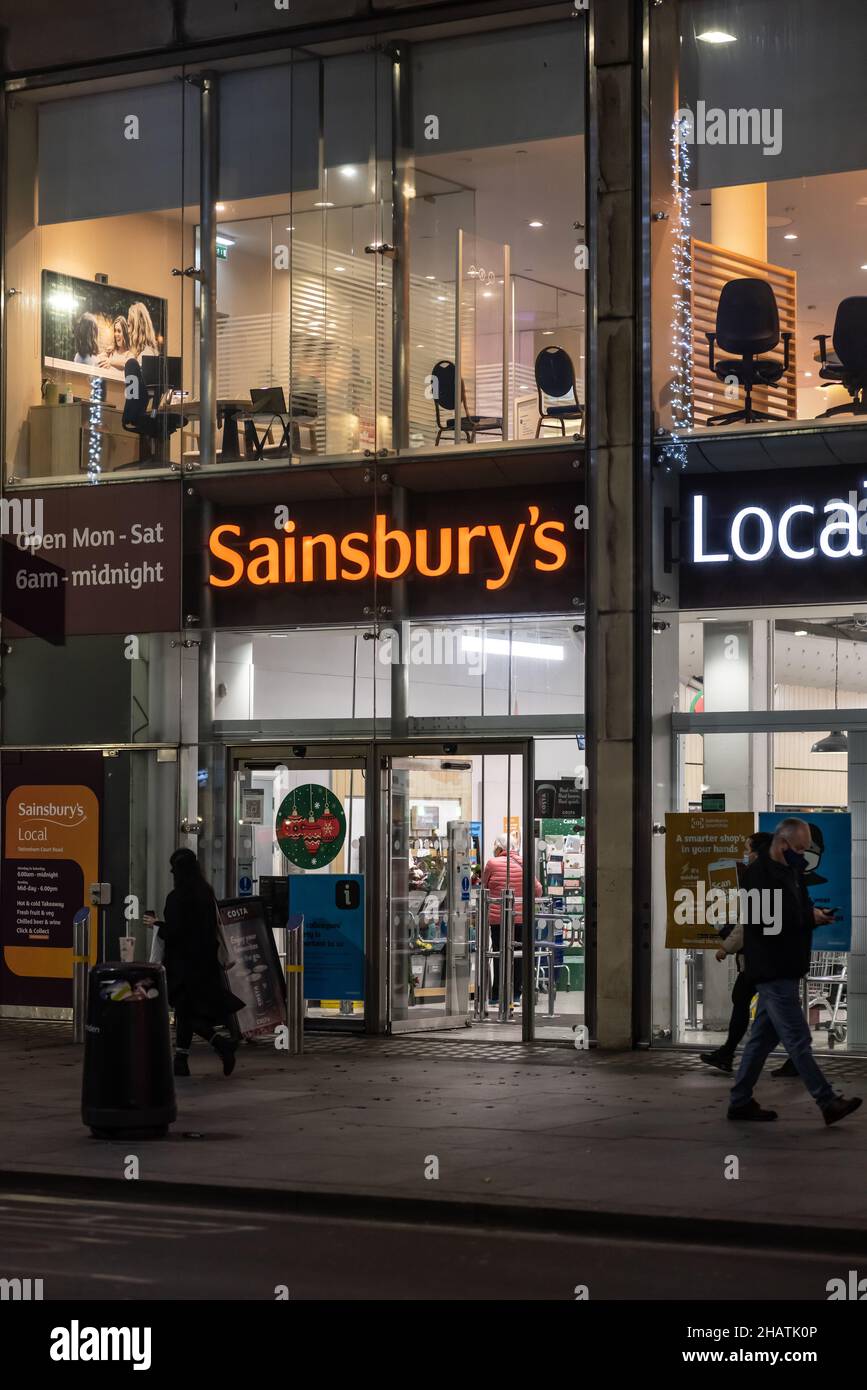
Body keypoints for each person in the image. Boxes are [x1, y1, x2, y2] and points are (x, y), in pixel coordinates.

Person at [727, 817, 861, 1126]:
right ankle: (828, 1102)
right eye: (799, 848)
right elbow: (767, 924)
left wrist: (813, 913)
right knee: (798, 1038)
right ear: (783, 843)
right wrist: (809, 918)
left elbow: (796, 909)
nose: (803, 855)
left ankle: (740, 1100)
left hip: (785, 966)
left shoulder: (792, 871)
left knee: (761, 1039)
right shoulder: (758, 876)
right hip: (772, 969)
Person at [143, 849, 244, 1078]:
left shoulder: (176, 897)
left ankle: (219, 1045)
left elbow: (177, 932)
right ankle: (181, 1060)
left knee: (185, 1011)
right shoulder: (206, 893)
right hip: (205, 963)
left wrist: (157, 924)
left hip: (183, 966)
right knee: (187, 1010)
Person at [701, 831, 773, 1074]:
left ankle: (729, 1054)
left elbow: (749, 921)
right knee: (765, 1007)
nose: (746, 853)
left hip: (760, 956)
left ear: (758, 851)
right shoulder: (770, 873)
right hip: (765, 955)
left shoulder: (759, 875)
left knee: (747, 1002)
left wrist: (726, 947)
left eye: (748, 848)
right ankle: (728, 1053)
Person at [482, 833, 542, 1014]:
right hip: (520, 917)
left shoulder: (492, 863)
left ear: (499, 847)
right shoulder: (525, 862)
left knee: (500, 955)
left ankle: (497, 996)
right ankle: (516, 994)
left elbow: (484, 886)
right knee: (519, 956)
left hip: (498, 918)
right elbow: (537, 890)